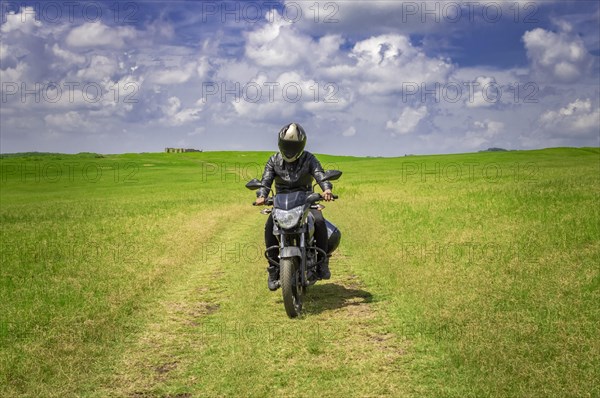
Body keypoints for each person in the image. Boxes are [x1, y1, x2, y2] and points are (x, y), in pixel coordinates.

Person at [255, 123, 334, 291]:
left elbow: (319, 173)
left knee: (319, 221)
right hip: (282, 203)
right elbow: (266, 180)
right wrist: (262, 195)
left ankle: (322, 263)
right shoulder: (273, 160)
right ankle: (274, 268)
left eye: (294, 145)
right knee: (269, 226)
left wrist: (326, 189)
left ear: (301, 146)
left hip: (306, 200)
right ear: (280, 143)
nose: (290, 149)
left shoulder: (309, 159)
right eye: (287, 145)